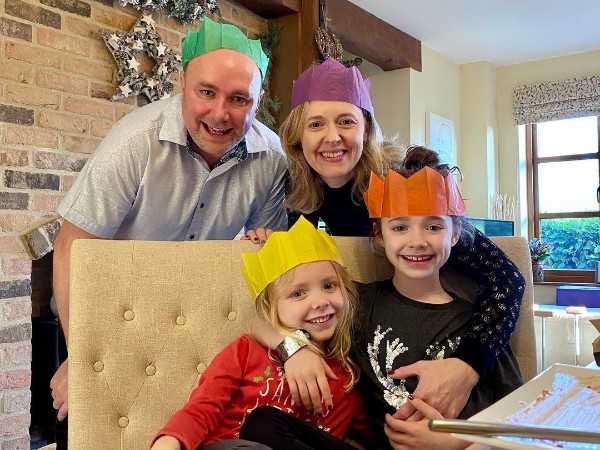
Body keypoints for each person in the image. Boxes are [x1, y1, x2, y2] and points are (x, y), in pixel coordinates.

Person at [50, 17, 287, 447]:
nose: (219, 113)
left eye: (238, 98)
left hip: (193, 324)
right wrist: (80, 358)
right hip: (105, 314)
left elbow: (274, 260)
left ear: (259, 100)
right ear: (181, 82)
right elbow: (72, 246)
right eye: (206, 92)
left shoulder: (272, 160)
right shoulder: (133, 142)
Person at [249, 57, 525, 424]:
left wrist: (468, 365)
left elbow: (506, 277)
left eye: (346, 121)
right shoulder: (295, 191)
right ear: (298, 137)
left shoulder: (401, 188)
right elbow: (274, 299)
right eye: (316, 124)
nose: (333, 137)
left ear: (366, 129)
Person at [247, 146, 523, 450]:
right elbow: (260, 321)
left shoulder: (483, 324)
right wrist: (294, 348)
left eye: (433, 226)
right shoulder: (359, 302)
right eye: (400, 227)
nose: (416, 241)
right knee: (263, 423)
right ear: (379, 235)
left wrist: (457, 442)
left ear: (455, 234)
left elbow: (521, 421)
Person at [150, 217, 370, 450]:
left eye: (329, 286)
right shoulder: (245, 352)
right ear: (271, 306)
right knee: (262, 422)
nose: (320, 301)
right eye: (298, 294)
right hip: (232, 447)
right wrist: (168, 443)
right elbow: (202, 409)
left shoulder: (347, 377)